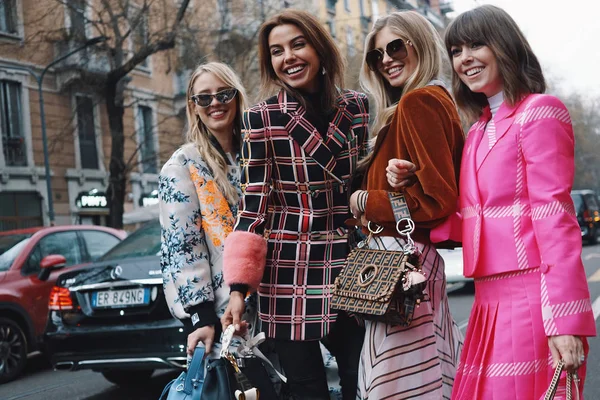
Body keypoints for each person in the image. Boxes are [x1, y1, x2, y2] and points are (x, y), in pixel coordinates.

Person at [439, 5, 596, 399]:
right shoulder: (476, 132)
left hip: (532, 297)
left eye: (477, 45)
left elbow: (554, 217)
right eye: (456, 50)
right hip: (487, 300)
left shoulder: (539, 112)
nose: (465, 59)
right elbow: (476, 220)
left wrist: (564, 320)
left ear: (505, 46)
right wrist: (405, 198)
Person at [220, 9, 369, 400]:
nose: (288, 57)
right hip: (289, 270)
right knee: (306, 389)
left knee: (364, 379)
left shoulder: (357, 108)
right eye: (276, 50)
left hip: (349, 265)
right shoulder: (261, 118)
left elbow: (365, 181)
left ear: (319, 48)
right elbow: (253, 206)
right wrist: (238, 290)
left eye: (298, 44)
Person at [350, 11, 464, 399]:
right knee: (426, 377)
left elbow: (437, 200)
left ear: (420, 43)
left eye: (395, 46)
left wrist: (367, 201)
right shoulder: (431, 99)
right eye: (376, 55)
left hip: (401, 265)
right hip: (409, 262)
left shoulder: (419, 101)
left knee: (397, 386)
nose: (386, 60)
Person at [159, 62, 252, 360]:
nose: (215, 103)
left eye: (224, 94)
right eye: (204, 97)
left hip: (276, 304)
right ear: (194, 106)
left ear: (237, 97)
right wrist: (200, 316)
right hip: (223, 317)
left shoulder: (258, 153)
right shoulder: (182, 165)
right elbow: (182, 246)